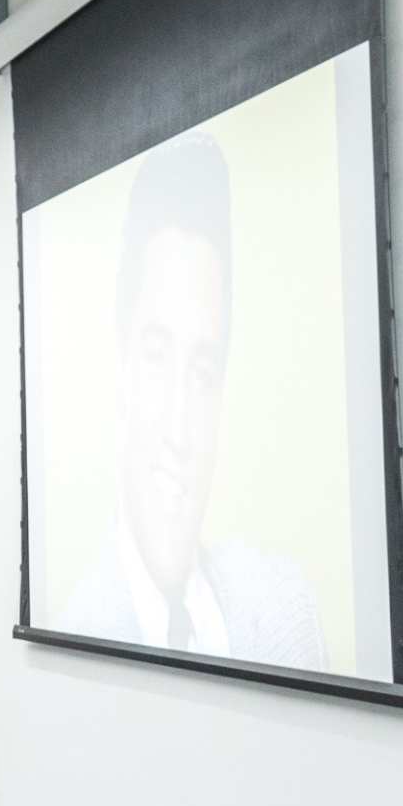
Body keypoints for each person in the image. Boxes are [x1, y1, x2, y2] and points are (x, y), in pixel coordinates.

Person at [58, 136, 321, 666]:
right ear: (120, 369)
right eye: (157, 356)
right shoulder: (75, 626)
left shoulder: (287, 613)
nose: (179, 429)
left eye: (202, 371)